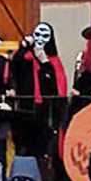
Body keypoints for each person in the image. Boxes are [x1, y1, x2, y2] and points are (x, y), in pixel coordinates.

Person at [8, 22, 67, 161]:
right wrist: (22, 48)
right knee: (23, 145)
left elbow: (56, 86)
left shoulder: (54, 60)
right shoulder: (24, 57)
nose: (40, 39)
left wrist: (44, 61)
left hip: (45, 110)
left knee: (41, 147)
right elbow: (14, 69)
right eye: (38, 35)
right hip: (25, 106)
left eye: (45, 36)